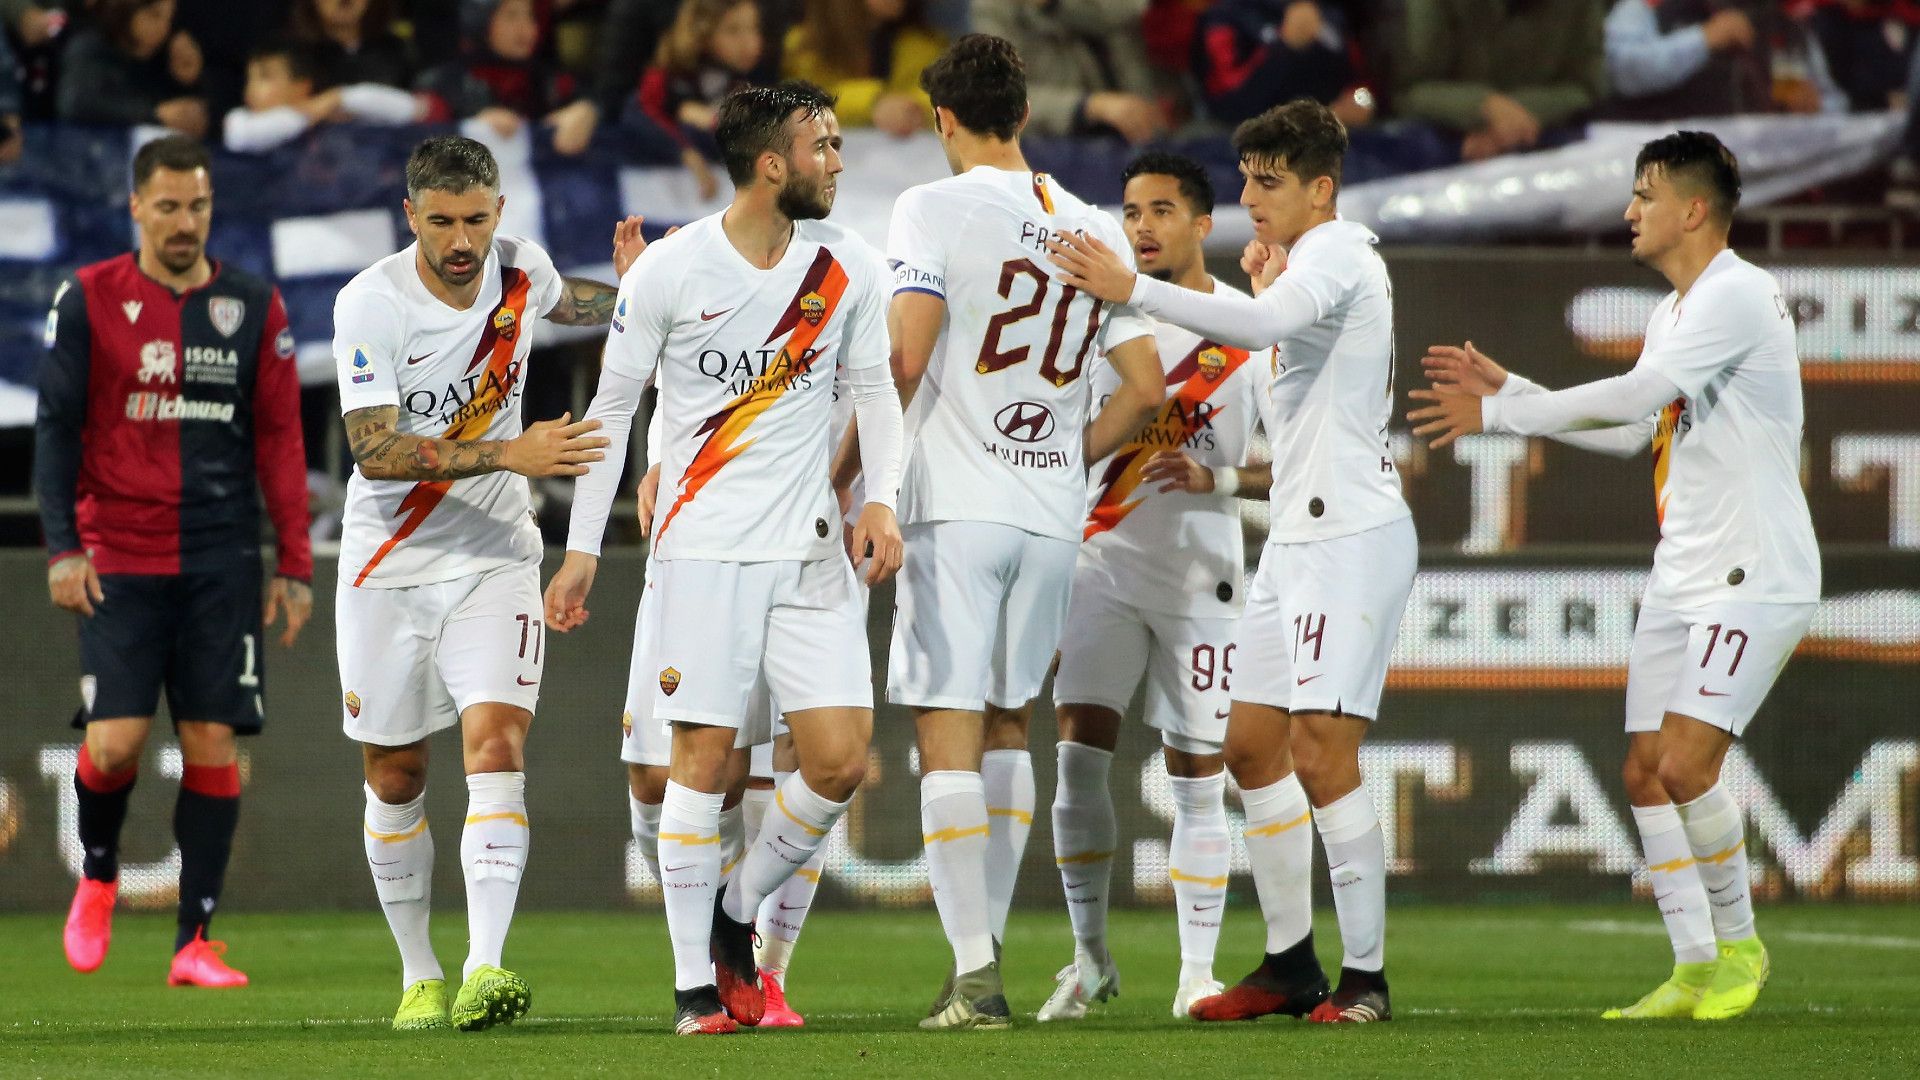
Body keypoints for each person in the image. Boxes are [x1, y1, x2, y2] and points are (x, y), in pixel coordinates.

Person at [1407, 131, 1819, 1022]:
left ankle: (1743, 950)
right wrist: (1514, 391)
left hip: (1755, 569)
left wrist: (1502, 415)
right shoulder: (1674, 312)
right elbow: (1637, 431)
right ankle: (1693, 966)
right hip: (1684, 569)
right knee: (1642, 770)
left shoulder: (1738, 294)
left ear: (1694, 209)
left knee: (1685, 763)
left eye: (1644, 194)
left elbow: (1631, 402)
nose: (1629, 211)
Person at [544, 80, 905, 1037]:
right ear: (771, 164)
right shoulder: (672, 272)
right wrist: (583, 551)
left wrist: (880, 500)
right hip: (703, 554)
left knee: (837, 760)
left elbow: (877, 391)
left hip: (812, 555)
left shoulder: (848, 264)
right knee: (696, 768)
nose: (838, 159)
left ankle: (733, 914)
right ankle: (695, 992)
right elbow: (612, 414)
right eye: (821, 146)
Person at [1050, 98, 1416, 1026]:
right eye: (1248, 178)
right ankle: (1290, 963)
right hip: (1294, 536)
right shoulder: (1304, 270)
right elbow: (1288, 396)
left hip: (1349, 539)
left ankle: (1365, 979)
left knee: (1323, 758)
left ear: (1320, 189)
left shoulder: (1337, 253)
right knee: (1252, 748)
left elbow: (1249, 335)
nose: (1254, 197)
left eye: (1270, 182)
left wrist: (1128, 286)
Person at [868, 32, 1163, 1031]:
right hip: (1049, 516)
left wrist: (853, 480)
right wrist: (1068, 456)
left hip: (955, 504)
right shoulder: (1092, 227)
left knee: (944, 727)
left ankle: (974, 976)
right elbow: (1147, 389)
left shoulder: (929, 206)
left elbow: (906, 360)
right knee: (1007, 725)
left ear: (943, 120)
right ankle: (979, 961)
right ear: (1026, 115)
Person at [331, 134, 635, 1033]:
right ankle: (419, 972)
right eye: (442, 222)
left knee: (496, 746)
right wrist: (514, 449)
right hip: (387, 563)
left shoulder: (520, 272)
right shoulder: (370, 305)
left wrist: (644, 291)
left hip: (498, 554)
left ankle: (483, 970)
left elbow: (589, 306)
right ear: (411, 216)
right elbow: (373, 450)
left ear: (499, 212)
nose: (461, 240)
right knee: (395, 773)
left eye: (475, 219)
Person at [38, 134, 312, 988]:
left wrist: (293, 562)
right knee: (115, 745)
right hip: (119, 553)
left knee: (211, 742)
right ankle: (97, 872)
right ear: (136, 207)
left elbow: (279, 440)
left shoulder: (251, 304)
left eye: (196, 205)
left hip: (221, 557)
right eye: (168, 206)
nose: (184, 222)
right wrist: (61, 547)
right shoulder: (88, 298)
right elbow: (56, 428)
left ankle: (194, 940)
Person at [1036, 151, 1275, 1024]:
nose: (1142, 226)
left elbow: (1295, 469)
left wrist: (1219, 483)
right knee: (1076, 753)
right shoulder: (1100, 317)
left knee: (1198, 775)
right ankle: (1090, 960)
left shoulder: (1251, 329)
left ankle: (1196, 975)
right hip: (1098, 562)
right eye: (1133, 209)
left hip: (1201, 578)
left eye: (1163, 210)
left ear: (1205, 224)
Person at [637, 0, 765, 200]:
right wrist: (685, 152)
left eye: (754, 28)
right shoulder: (665, 78)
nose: (749, 42)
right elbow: (638, 119)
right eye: (733, 31)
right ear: (702, 33)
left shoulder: (741, 82)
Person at [223, 40, 422, 153]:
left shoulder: (333, 110)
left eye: (265, 77)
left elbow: (411, 109)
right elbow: (239, 137)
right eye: (249, 78)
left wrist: (339, 97)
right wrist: (313, 112)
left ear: (301, 87)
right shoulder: (240, 119)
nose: (251, 87)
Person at [781, 0, 944, 136]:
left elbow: (944, 98)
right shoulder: (803, 46)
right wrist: (873, 103)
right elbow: (800, 105)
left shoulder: (923, 44)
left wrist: (914, 109)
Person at [56, 0, 208, 137]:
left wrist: (189, 82)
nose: (163, 28)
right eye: (154, 15)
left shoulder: (166, 59)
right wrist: (155, 116)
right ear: (128, 8)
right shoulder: (90, 49)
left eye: (169, 19)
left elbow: (193, 116)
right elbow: (78, 104)